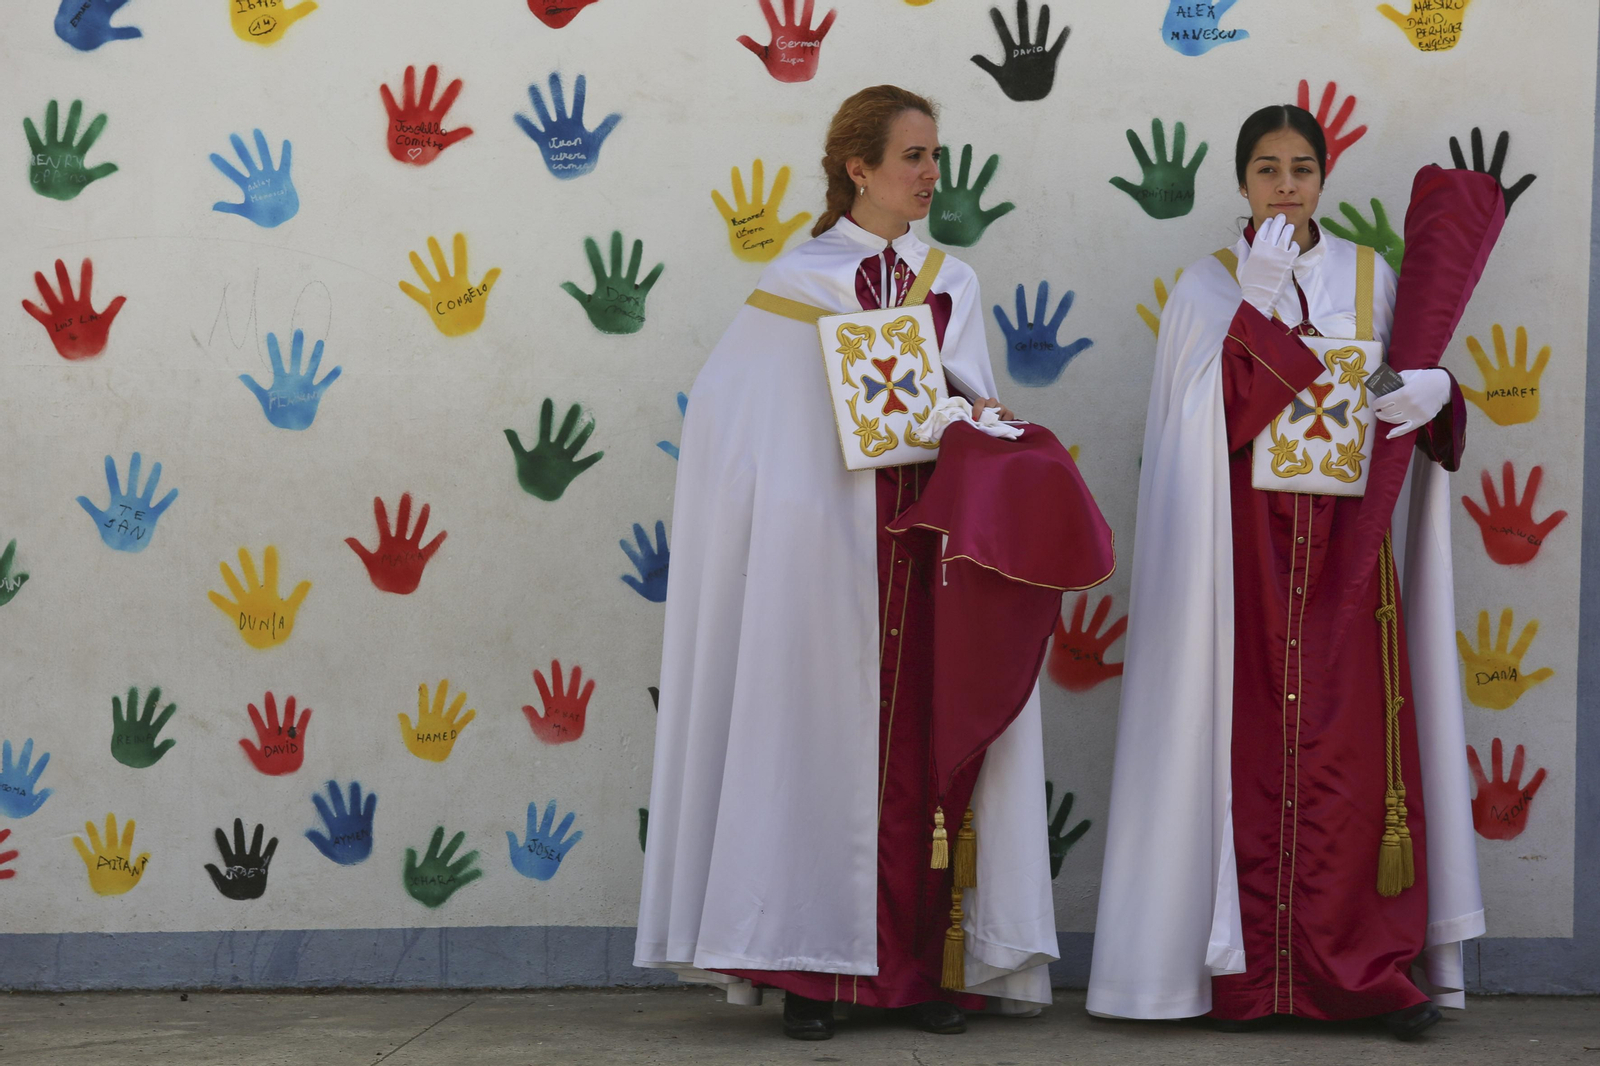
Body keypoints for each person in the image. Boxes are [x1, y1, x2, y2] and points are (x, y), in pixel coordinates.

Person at [635, 85, 1098, 1041]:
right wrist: (794, 509)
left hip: (925, 559)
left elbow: (965, 396)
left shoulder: (951, 280)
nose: (932, 174)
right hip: (824, 560)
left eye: (936, 155)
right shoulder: (795, 283)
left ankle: (923, 970)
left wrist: (981, 421)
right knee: (811, 748)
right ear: (859, 168)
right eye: (914, 156)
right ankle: (813, 976)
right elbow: (737, 422)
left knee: (929, 750)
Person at [1088, 104, 1496, 1039]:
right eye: (1266, 168)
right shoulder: (1205, 284)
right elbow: (1196, 427)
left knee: (1352, 761)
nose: (1284, 185)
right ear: (1241, 181)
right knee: (1241, 751)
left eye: (1301, 167)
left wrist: (1434, 394)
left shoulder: (1368, 273)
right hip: (1239, 560)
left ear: (1323, 175)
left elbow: (1386, 384)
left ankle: (1361, 974)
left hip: (1348, 557)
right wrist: (1251, 309)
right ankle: (1247, 979)